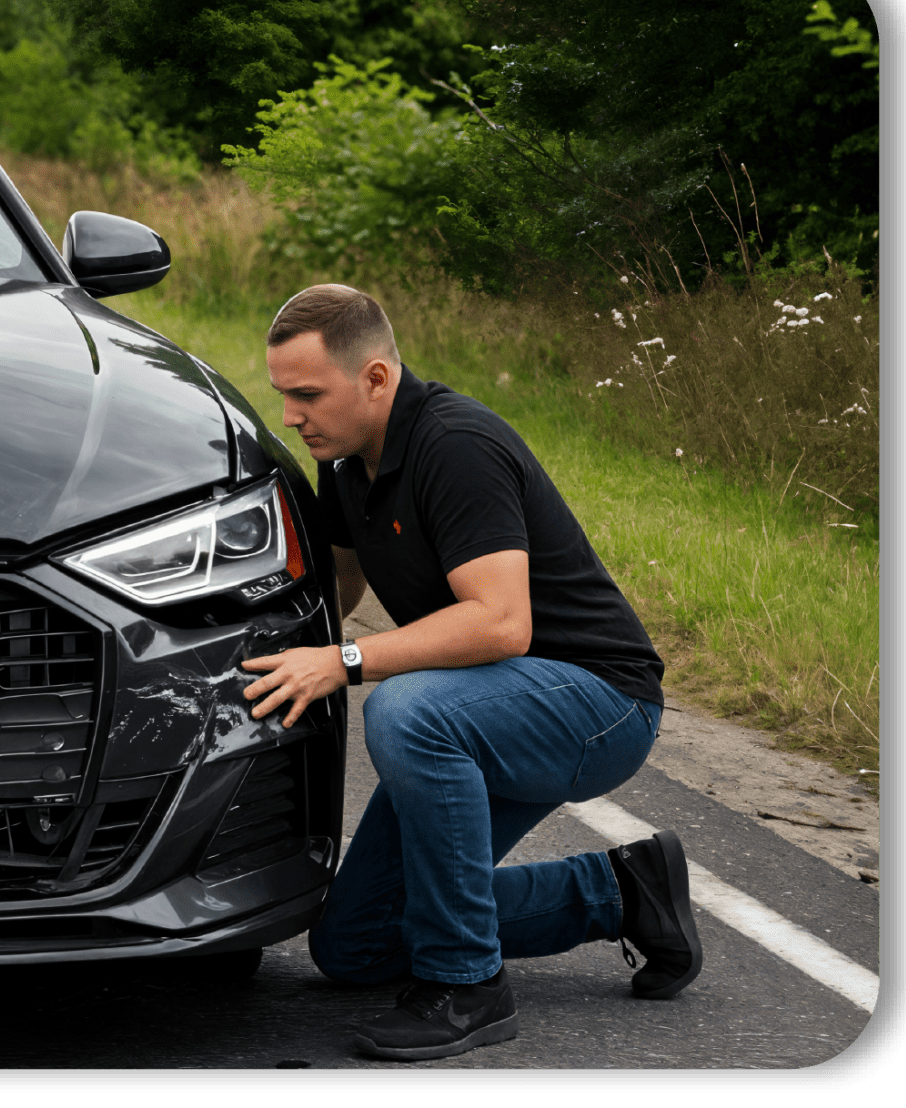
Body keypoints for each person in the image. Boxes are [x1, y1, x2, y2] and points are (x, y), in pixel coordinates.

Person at [238, 284, 703, 1062]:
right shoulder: (347, 459)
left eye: (308, 394)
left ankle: (467, 985)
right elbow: (342, 591)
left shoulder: (455, 445)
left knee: (406, 710)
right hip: (494, 702)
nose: (291, 415)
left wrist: (346, 663)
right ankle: (623, 890)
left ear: (377, 379)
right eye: (283, 394)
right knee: (352, 946)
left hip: (596, 699)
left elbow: (499, 620)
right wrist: (269, 650)